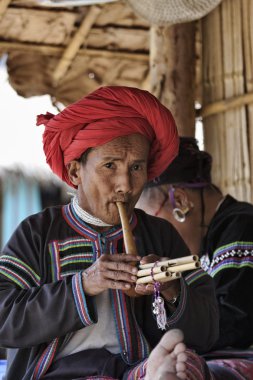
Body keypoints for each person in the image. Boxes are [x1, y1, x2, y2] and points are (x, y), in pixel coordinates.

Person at [0, 87, 218, 380]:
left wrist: (171, 290)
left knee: (187, 365)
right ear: (76, 172)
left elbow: (210, 329)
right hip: (57, 375)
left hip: (136, 370)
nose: (125, 185)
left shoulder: (159, 234)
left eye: (136, 167)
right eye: (110, 166)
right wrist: (84, 284)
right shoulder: (38, 233)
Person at [137, 136, 253, 379]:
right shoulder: (204, 245)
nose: (157, 240)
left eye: (157, 224)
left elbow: (234, 322)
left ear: (180, 201)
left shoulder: (241, 226)